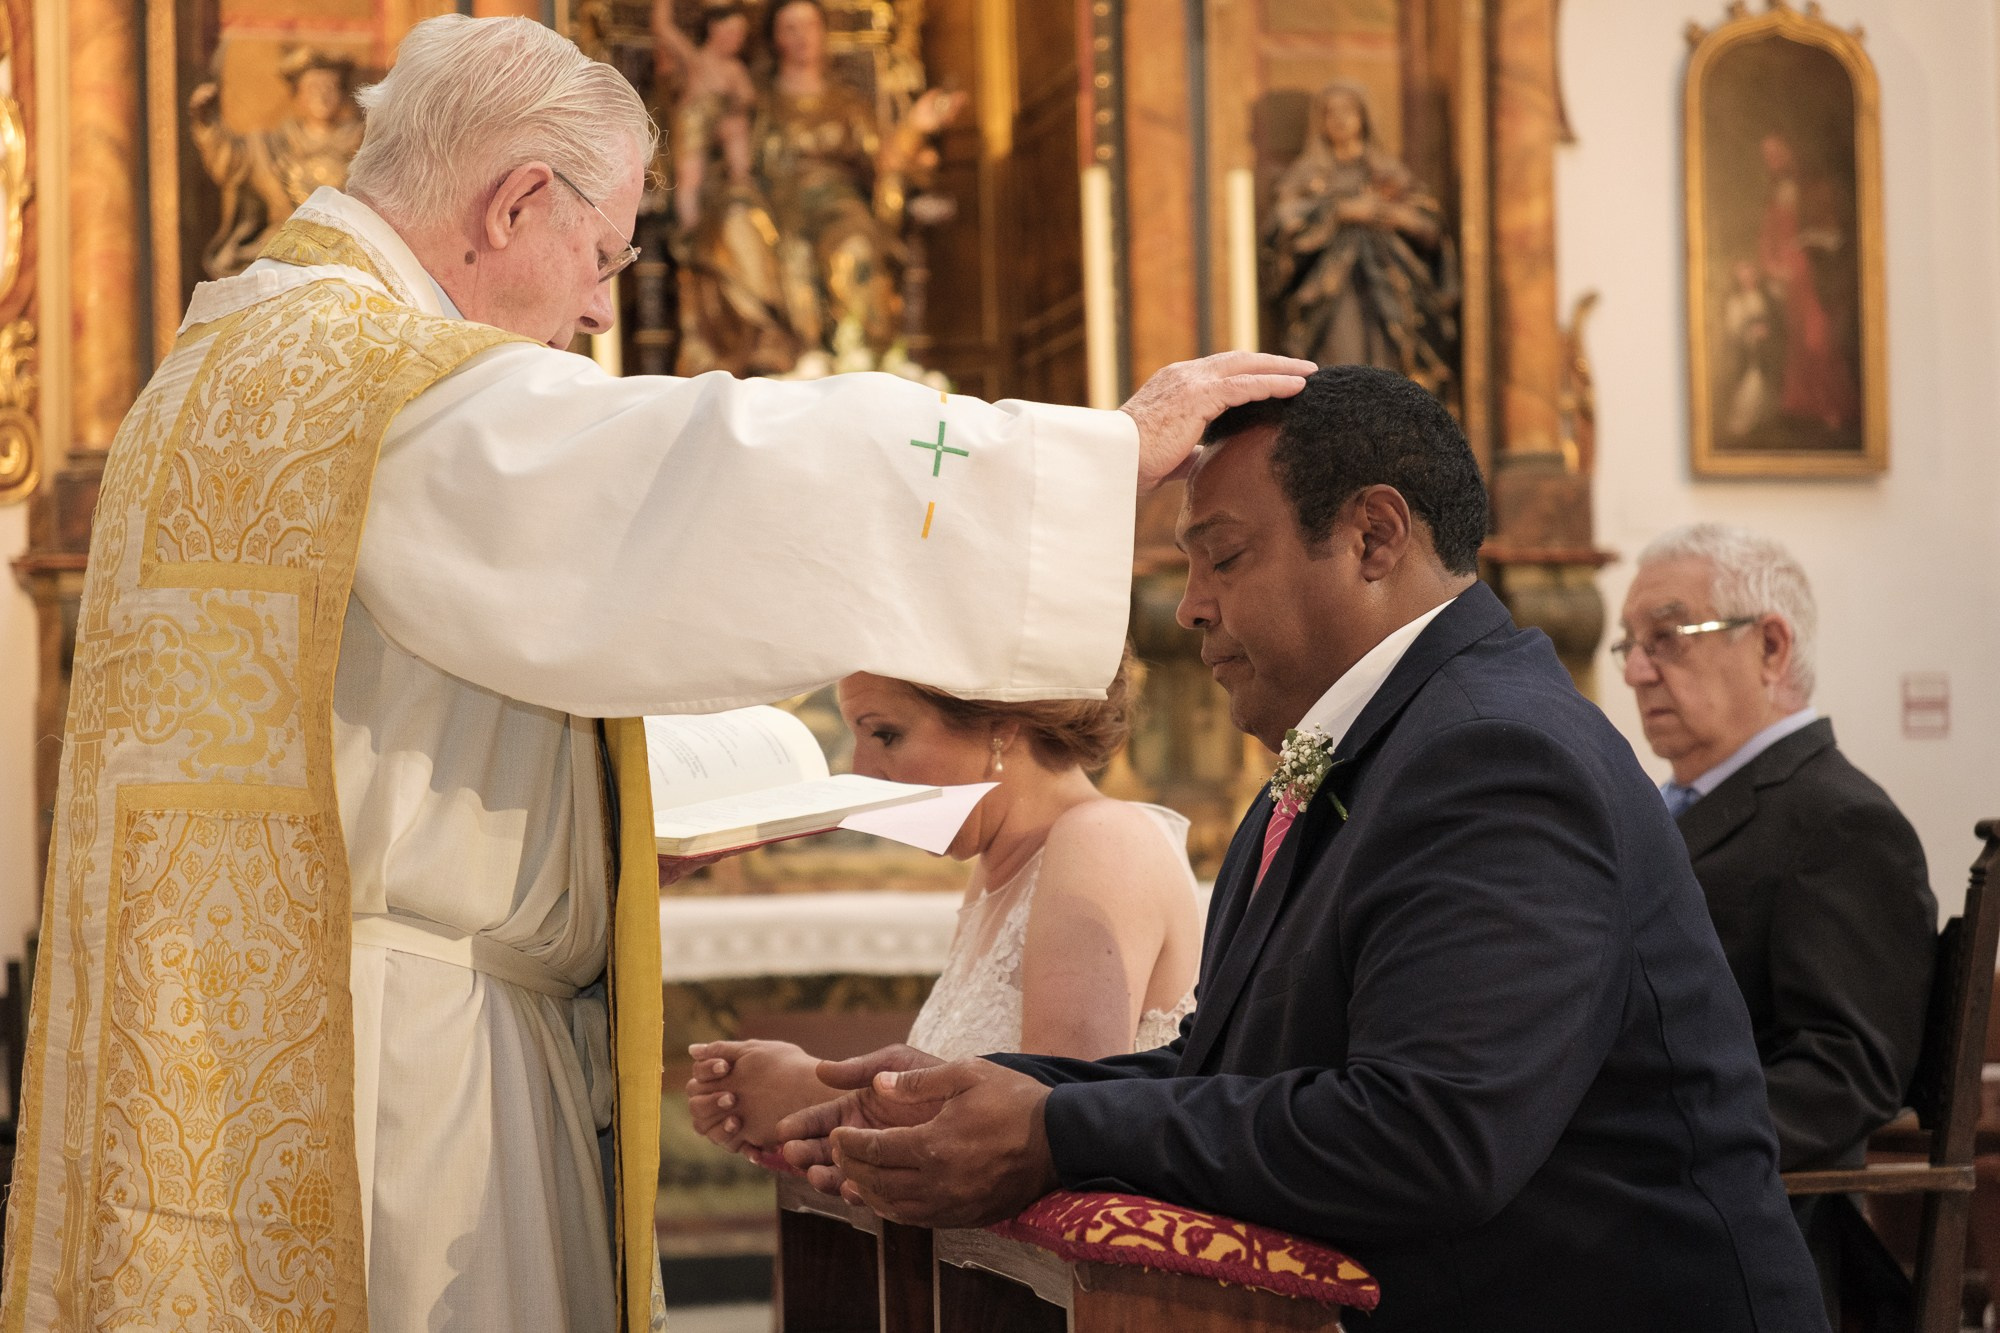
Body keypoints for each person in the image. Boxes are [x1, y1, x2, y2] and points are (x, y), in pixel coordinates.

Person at [0, 15, 1316, 1333]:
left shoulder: (240, 362)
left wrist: (605, 830)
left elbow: (400, 709)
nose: (596, 309)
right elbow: (705, 461)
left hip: (286, 1025)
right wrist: (1076, 461)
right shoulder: (376, 379)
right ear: (516, 201)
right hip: (395, 1080)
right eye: (601, 255)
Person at [776, 365, 1829, 1332]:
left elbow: (1427, 1136)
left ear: (1373, 536)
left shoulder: (1496, 754)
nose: (1190, 607)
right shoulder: (1358, 751)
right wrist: (978, 1091)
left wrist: (1052, 1131)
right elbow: (1226, 1067)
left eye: (1224, 556)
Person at [1618, 522, 1935, 1322]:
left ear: (1769, 645)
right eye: (1630, 644)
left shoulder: (1838, 820)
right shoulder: (1664, 808)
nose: (1635, 670)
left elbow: (1846, 1070)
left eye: (1666, 637)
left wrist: (1643, 1142)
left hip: (1728, 1234)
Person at [686, 660, 1203, 1149]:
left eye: (885, 734)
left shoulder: (1103, 839)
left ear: (999, 725)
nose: (861, 770)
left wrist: (809, 1091)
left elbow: (1058, 1121)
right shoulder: (1000, 870)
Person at [1263, 82, 1455, 394]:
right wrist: (1339, 212)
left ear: (1364, 116)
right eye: (1331, 112)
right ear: (1320, 121)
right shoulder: (1307, 174)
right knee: (1341, 365)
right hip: (1333, 293)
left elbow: (1430, 227)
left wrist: (1395, 215)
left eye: (1348, 110)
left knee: (1390, 368)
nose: (1340, 120)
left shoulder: (1388, 171)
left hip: (1391, 287)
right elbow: (1284, 229)